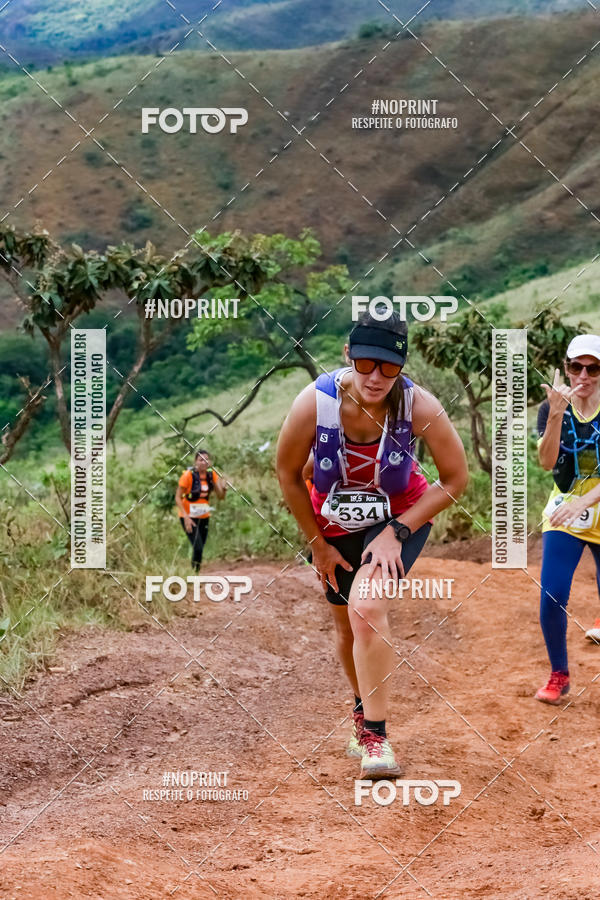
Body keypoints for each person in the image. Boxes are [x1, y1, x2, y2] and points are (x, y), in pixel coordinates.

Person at [276, 312, 468, 778]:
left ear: (402, 367)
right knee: (346, 627)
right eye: (365, 364)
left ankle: (376, 739)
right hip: (333, 523)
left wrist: (397, 531)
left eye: (389, 367)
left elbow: (455, 479)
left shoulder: (419, 407)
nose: (376, 377)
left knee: (365, 609)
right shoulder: (315, 403)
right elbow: (287, 472)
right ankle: (362, 710)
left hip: (400, 516)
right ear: (348, 355)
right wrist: (317, 544)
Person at [536, 334, 600, 704]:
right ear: (566, 367)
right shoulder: (552, 407)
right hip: (565, 510)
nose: (584, 375)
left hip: (587, 505)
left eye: (593, 368)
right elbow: (546, 462)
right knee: (552, 594)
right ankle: (559, 674)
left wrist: (584, 502)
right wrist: (556, 414)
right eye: (577, 367)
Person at [175, 449, 227, 571]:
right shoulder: (188, 475)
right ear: (195, 462)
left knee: (200, 548)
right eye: (201, 460)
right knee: (197, 547)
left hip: (204, 516)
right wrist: (186, 517)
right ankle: (194, 574)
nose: (204, 462)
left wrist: (224, 488)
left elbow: (220, 497)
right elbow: (177, 497)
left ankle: (195, 572)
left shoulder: (211, 475)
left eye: (206, 460)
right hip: (188, 517)